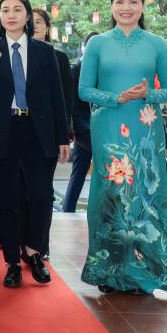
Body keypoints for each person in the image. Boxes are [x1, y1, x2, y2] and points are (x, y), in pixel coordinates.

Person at [78, 0, 167, 295]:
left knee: (146, 195)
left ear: (143, 7)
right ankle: (108, 270)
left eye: (133, 2)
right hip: (108, 123)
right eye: (120, 2)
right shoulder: (97, 44)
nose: (126, 7)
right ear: (111, 7)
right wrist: (116, 97)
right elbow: (84, 90)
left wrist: (149, 93)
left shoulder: (156, 43)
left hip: (145, 127)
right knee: (111, 194)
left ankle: (143, 272)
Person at [0, 0, 69, 288]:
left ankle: (34, 252)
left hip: (38, 132)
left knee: (41, 196)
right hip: (3, 132)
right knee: (7, 198)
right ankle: (12, 262)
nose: (11, 15)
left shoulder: (44, 51)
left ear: (28, 16)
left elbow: (57, 97)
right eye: (5, 10)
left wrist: (62, 137)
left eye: (18, 9)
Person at [63, 32, 98, 212]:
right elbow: (70, 103)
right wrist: (75, 129)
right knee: (79, 173)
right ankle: (68, 209)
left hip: (101, 128)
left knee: (103, 173)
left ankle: (99, 210)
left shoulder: (102, 69)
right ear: (84, 46)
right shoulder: (76, 68)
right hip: (83, 129)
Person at [31, 8, 75, 130]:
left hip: (52, 123)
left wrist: (64, 127)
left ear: (47, 28)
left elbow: (67, 97)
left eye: (39, 22)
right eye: (30, 22)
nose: (34, 26)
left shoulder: (60, 58)